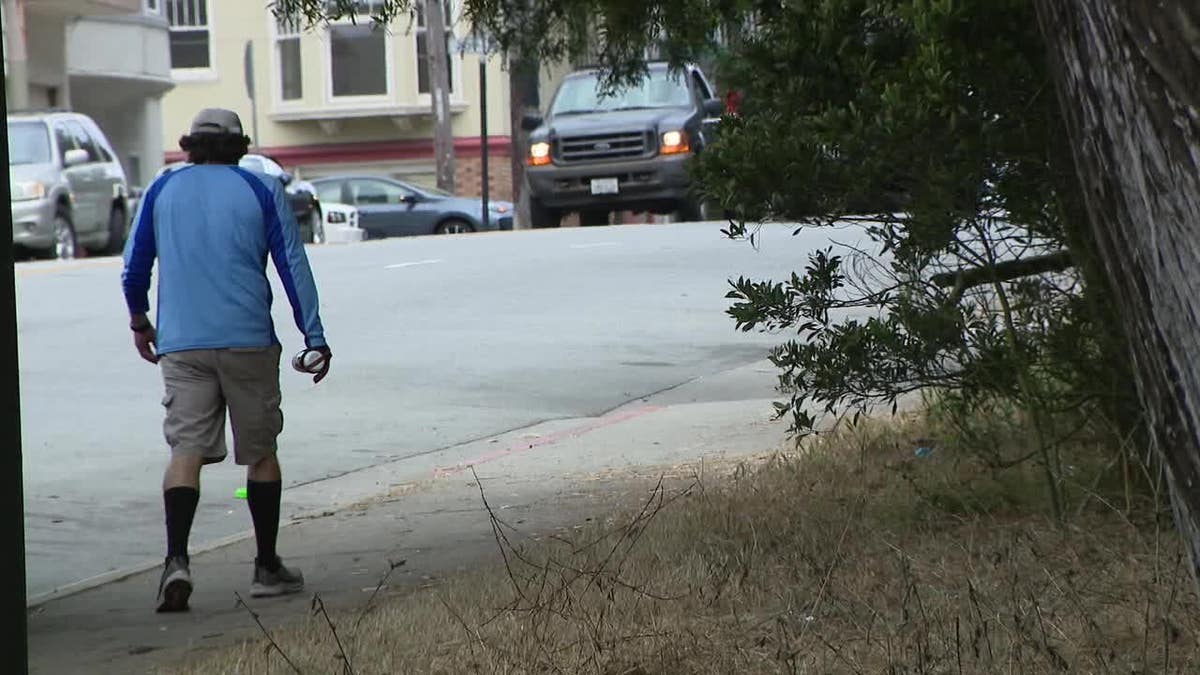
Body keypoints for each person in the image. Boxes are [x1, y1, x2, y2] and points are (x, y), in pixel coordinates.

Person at [121, 108, 332, 613]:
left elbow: (134, 266)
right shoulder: (260, 188)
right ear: (240, 146)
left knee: (186, 451)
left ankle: (176, 561)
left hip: (182, 344)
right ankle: (266, 567)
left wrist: (140, 321)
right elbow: (292, 264)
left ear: (190, 145)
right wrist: (314, 336)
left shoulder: (161, 189)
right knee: (260, 453)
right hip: (247, 341)